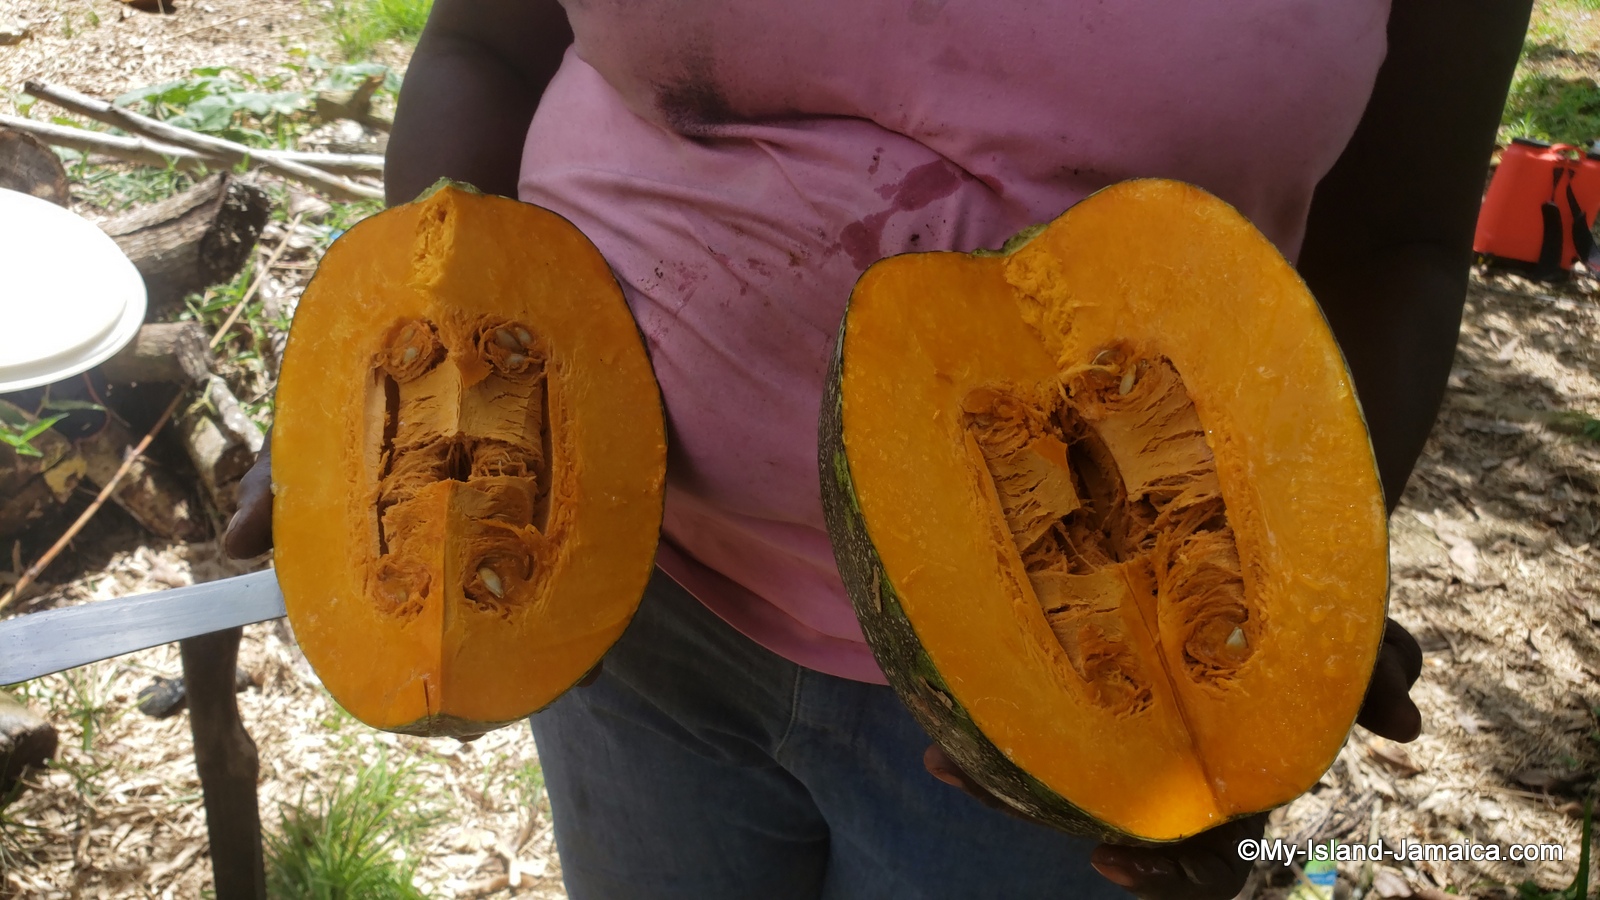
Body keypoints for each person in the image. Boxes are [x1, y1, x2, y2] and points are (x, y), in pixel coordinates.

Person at [225, 1, 1533, 896]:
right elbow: (482, 45)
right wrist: (394, 384)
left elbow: (1400, 242)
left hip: (1065, 714)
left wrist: (1292, 604)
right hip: (633, 619)